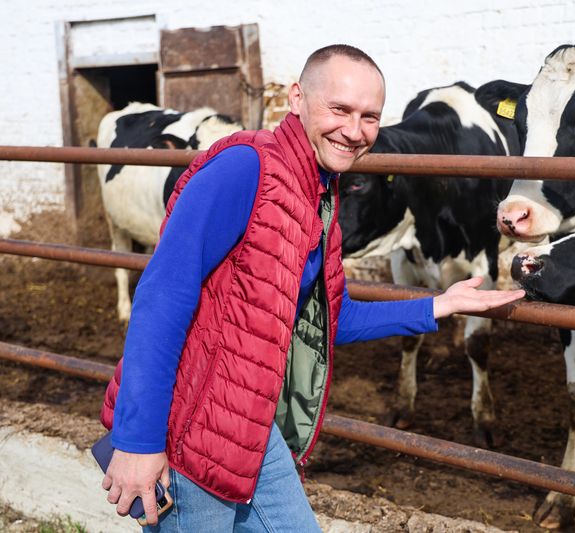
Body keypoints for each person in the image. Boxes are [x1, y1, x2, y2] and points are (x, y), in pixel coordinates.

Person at [99, 44, 525, 532]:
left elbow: (328, 319)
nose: (355, 130)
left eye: (369, 117)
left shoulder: (319, 195)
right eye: (339, 109)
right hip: (188, 431)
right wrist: (138, 441)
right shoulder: (245, 168)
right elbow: (161, 299)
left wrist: (438, 305)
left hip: (251, 425)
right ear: (297, 98)